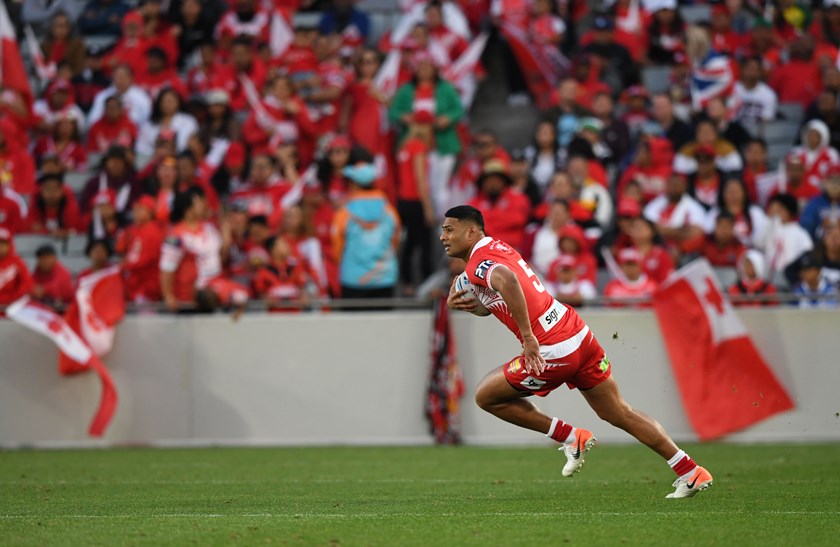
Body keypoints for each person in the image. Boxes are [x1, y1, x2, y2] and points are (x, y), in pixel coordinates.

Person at [442, 205, 713, 499]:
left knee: (486, 396)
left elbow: (506, 280)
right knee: (618, 411)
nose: (443, 237)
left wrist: (529, 338)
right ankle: (689, 470)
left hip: (551, 347)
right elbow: (502, 293)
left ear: (471, 232)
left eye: (449, 229)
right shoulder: (496, 247)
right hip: (577, 333)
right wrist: (476, 306)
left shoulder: (477, 264)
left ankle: (571, 437)